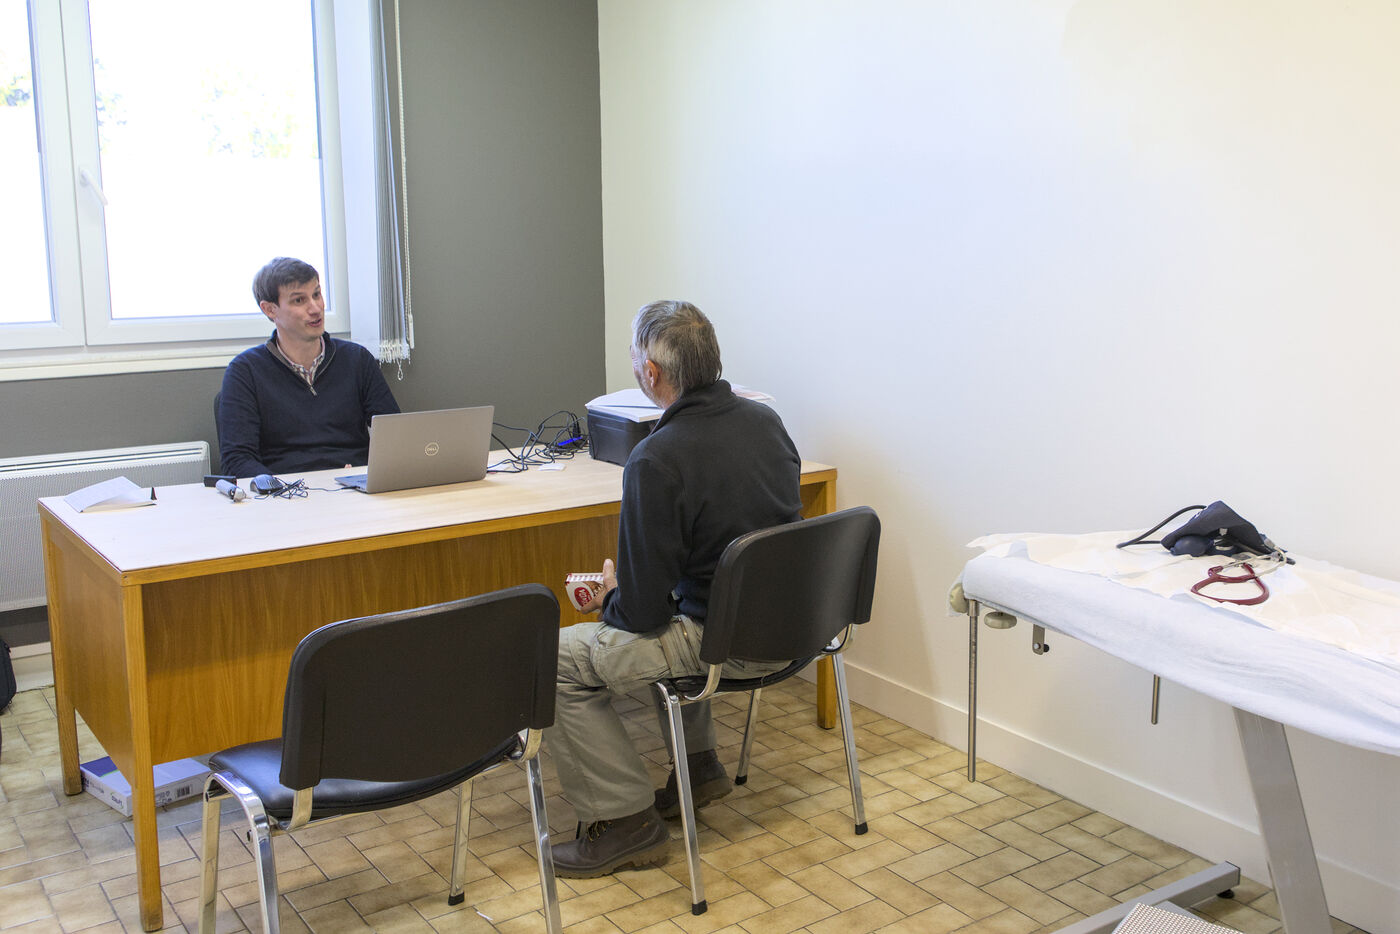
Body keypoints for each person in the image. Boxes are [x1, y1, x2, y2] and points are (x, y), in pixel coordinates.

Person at [546, 300, 804, 878]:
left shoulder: (656, 459)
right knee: (682, 610)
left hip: (727, 643)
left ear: (652, 372)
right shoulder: (766, 422)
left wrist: (612, 596)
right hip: (795, 627)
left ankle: (624, 823)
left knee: (552, 658)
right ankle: (700, 765)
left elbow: (639, 615)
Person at [217, 257, 399, 478]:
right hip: (286, 491)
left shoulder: (357, 359)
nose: (315, 308)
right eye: (299, 300)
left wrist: (365, 473)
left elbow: (395, 436)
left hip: (353, 484)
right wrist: (281, 487)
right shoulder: (245, 371)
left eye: (317, 294)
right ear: (270, 309)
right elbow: (237, 460)